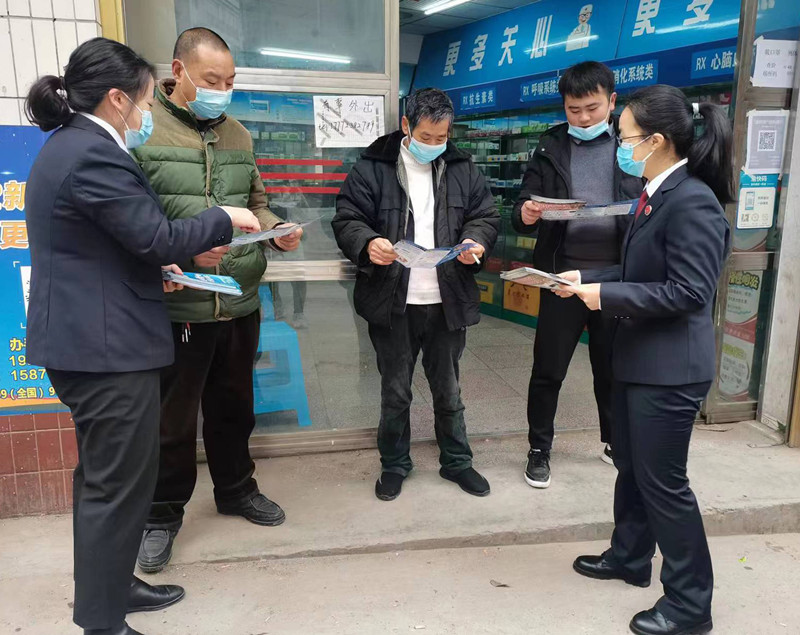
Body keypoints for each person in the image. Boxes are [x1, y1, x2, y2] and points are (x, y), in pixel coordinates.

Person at [23, 38, 262, 635]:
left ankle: (113, 587)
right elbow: (154, 235)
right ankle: (104, 622)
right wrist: (223, 217)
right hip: (104, 351)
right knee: (114, 486)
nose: (147, 112)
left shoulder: (70, 146)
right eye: (147, 101)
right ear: (117, 98)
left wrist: (157, 268)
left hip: (93, 340)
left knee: (107, 482)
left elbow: (109, 245)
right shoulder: (93, 154)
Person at [558, 85, 733, 635]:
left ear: (655, 141)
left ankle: (689, 605)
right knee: (631, 469)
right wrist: (586, 279)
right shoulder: (654, 192)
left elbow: (689, 291)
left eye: (625, 137)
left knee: (664, 485)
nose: (619, 147)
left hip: (670, 371)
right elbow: (643, 272)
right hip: (638, 360)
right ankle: (630, 557)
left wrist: (605, 297)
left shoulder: (693, 200)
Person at [131, 28, 303, 574]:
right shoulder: (142, 129)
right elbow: (133, 220)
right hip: (180, 303)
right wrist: (175, 255)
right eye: (212, 80)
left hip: (238, 299)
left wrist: (276, 230)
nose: (222, 91)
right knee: (173, 419)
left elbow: (256, 201)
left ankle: (236, 489)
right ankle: (162, 514)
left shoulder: (237, 134)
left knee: (234, 406)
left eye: (230, 81)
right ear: (178, 72)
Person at [332, 88, 499, 501]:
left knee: (449, 390)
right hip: (394, 301)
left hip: (446, 300)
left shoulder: (462, 167)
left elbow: (485, 215)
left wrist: (475, 241)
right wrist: (368, 242)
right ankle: (394, 464)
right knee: (396, 391)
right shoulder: (372, 167)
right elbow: (347, 217)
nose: (435, 144)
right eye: (426, 137)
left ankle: (457, 462)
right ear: (406, 125)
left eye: (443, 136)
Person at [512, 61, 643, 489]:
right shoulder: (549, 146)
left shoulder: (632, 144)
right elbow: (521, 206)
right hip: (561, 277)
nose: (583, 118)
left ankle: (614, 441)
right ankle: (539, 449)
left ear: (612, 101)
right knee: (548, 370)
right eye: (574, 110)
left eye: (592, 108)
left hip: (616, 278)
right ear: (563, 107)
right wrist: (526, 212)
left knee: (612, 367)